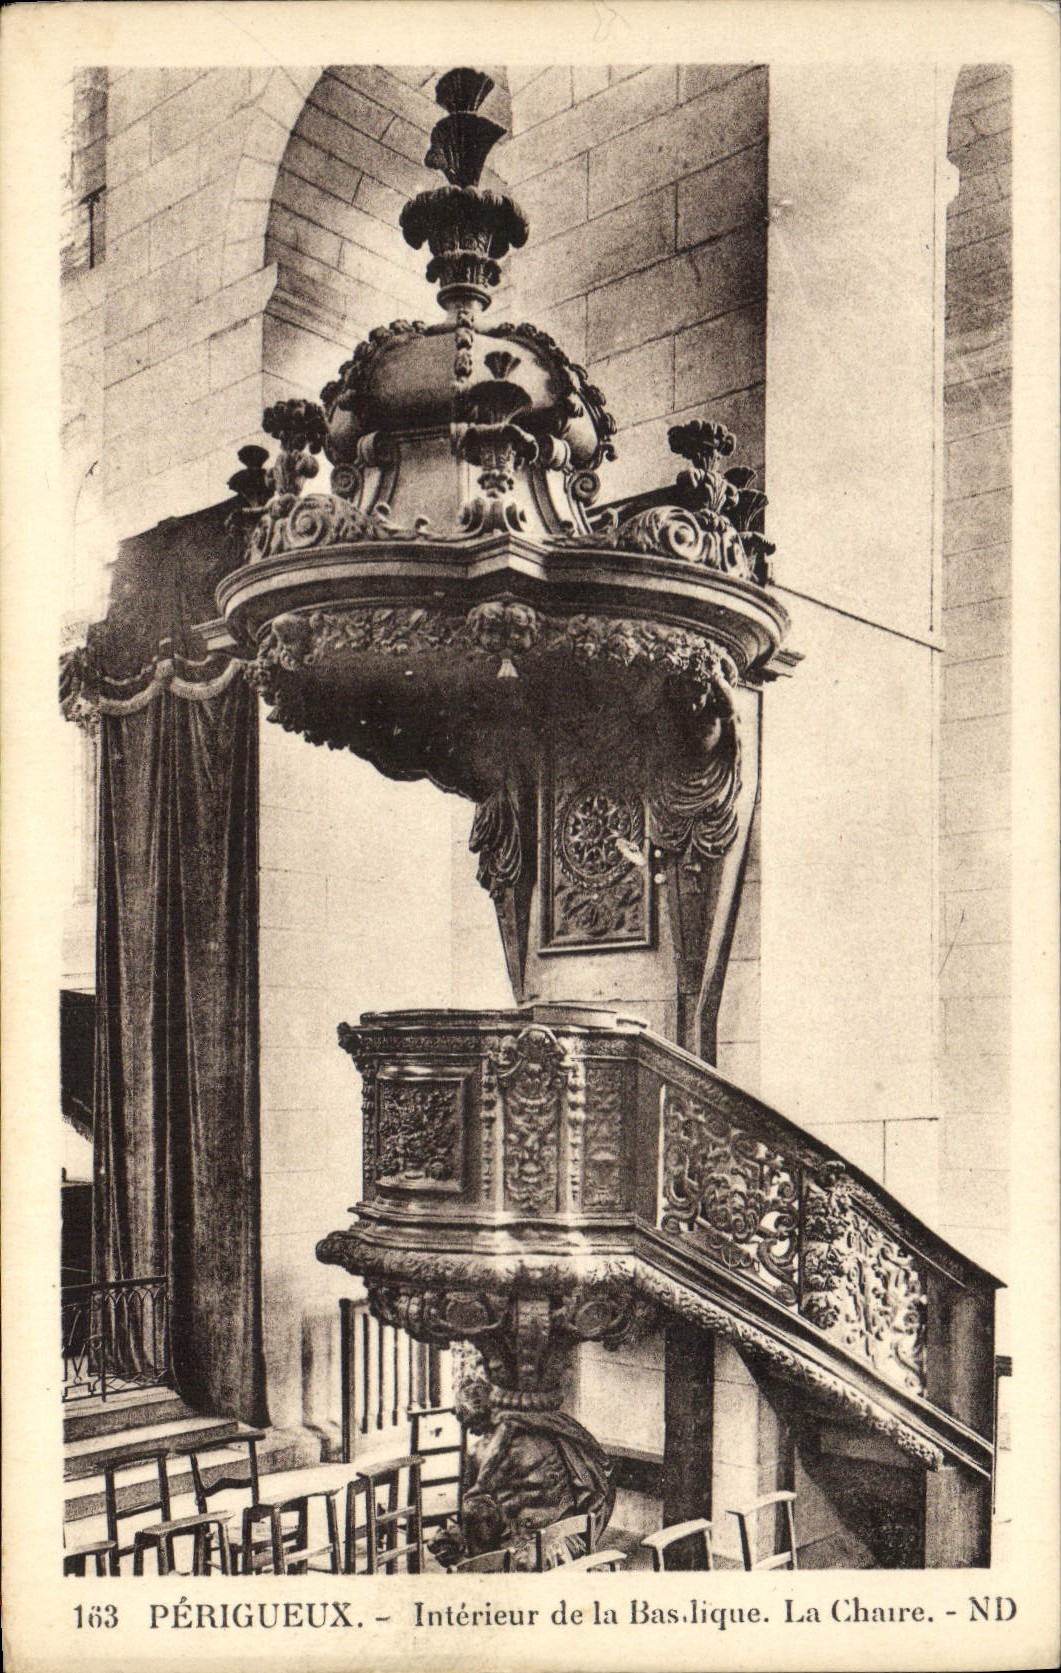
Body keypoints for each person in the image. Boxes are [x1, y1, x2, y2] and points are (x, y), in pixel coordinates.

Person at [430, 1376, 615, 1570]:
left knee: (466, 1528)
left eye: (463, 1417)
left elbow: (474, 1513)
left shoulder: (480, 1453)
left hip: (541, 1549)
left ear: (472, 1415)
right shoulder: (547, 1431)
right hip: (570, 1535)